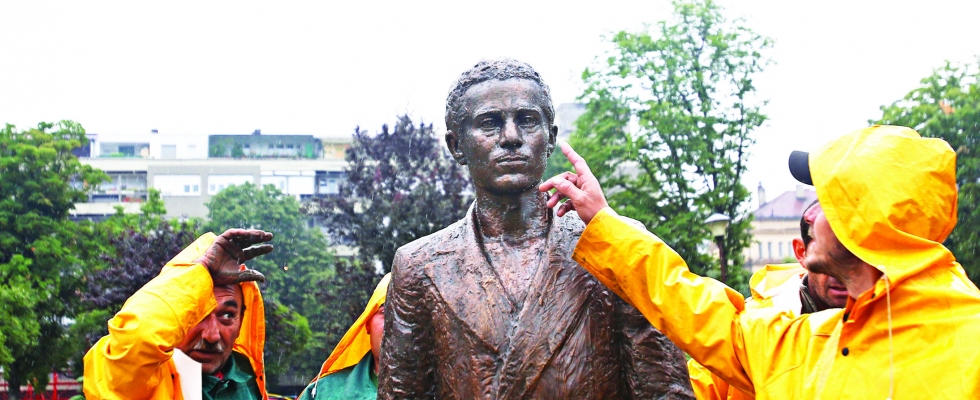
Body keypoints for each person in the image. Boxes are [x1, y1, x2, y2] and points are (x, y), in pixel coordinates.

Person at [541, 125, 980, 398]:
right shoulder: (809, 341)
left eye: (826, 201)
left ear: (862, 220)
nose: (811, 215)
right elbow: (696, 308)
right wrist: (604, 221)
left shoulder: (969, 344)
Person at [379, 58, 694, 399]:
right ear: (457, 146)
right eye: (490, 123)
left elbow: (665, 391)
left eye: (527, 120)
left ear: (550, 138)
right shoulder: (419, 267)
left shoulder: (615, 246)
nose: (511, 137)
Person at [84, 229, 274, 400]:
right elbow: (137, 339)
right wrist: (201, 271)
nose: (212, 335)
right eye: (196, 314)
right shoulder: (144, 379)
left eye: (227, 315)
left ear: (241, 321)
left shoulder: (248, 376)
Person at [688, 201, 848, 400]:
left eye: (855, 256)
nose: (842, 270)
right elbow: (695, 390)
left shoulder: (885, 320)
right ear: (801, 252)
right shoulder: (752, 324)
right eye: (829, 255)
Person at [298, 273, 391, 400]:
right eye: (385, 312)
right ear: (367, 323)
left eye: (411, 316)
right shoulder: (323, 394)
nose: (396, 324)